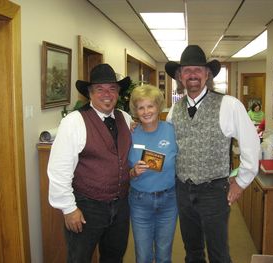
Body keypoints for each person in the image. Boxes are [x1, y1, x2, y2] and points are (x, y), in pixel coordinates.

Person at [165, 45, 260, 263]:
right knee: (193, 250)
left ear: (207, 74)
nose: (192, 75)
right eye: (187, 70)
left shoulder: (229, 105)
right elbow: (168, 146)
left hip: (214, 191)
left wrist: (241, 182)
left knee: (219, 253)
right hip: (183, 189)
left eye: (198, 69)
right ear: (180, 77)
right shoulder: (174, 110)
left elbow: (251, 144)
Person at [47, 63, 133, 263]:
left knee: (114, 257)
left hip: (120, 206)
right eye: (100, 89)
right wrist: (68, 209)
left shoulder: (126, 118)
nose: (107, 94)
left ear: (118, 92)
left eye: (112, 89)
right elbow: (59, 169)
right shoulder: (74, 121)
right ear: (89, 93)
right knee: (80, 258)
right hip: (87, 207)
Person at [128, 84, 178, 263]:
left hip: (169, 200)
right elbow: (121, 170)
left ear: (158, 107)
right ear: (135, 110)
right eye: (141, 107)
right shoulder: (130, 134)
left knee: (164, 255)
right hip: (140, 202)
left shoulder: (172, 131)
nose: (146, 111)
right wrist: (133, 172)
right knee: (143, 255)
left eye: (150, 106)